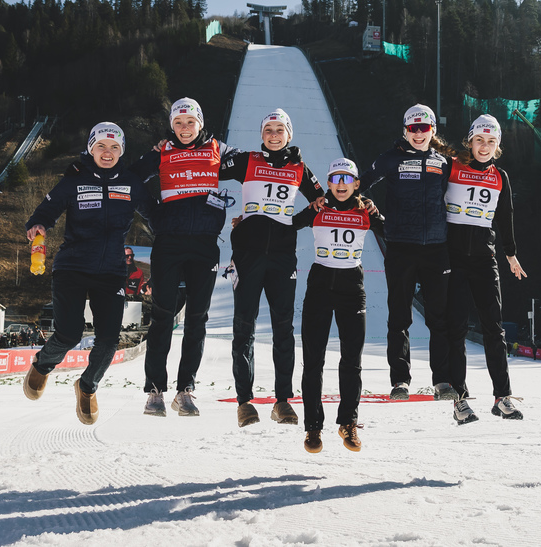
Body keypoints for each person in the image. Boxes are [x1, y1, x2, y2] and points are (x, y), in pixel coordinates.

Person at [22, 122, 153, 425]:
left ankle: (87, 387)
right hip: (72, 266)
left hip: (111, 272)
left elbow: (155, 216)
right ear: (91, 148)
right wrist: (38, 224)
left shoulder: (131, 184)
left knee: (108, 340)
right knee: (69, 333)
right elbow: (46, 210)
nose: (107, 152)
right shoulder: (75, 180)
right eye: (101, 146)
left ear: (121, 151)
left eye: (114, 147)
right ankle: (42, 365)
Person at [131, 98, 240, 417]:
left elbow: (251, 165)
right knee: (163, 316)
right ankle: (155, 392)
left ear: (200, 123)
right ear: (171, 126)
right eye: (178, 123)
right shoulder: (162, 151)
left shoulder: (219, 149)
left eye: (190, 122)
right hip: (169, 243)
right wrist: (154, 214)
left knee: (197, 318)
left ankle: (185, 390)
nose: (184, 128)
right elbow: (131, 180)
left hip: (205, 245)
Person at [225, 109, 324, 427]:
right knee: (244, 327)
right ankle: (245, 402)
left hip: (282, 257)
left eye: (280, 129)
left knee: (284, 329)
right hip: (247, 256)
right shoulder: (247, 160)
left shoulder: (299, 167)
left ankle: (282, 401)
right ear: (261, 134)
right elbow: (210, 169)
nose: (274, 135)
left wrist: (293, 223)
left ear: (289, 134)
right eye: (268, 129)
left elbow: (322, 202)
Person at [358, 104, 455, 402]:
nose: (418, 133)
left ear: (433, 130)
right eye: (413, 128)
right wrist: (371, 211)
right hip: (401, 247)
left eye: (424, 128)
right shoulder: (390, 159)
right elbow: (359, 185)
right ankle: (400, 380)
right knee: (400, 317)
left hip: (437, 248)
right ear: (405, 130)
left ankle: (442, 381)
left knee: (439, 318)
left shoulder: (444, 163)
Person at [293, 158, 384, 453]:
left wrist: (378, 212)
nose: (341, 184)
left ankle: (348, 423)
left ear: (356, 184)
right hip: (319, 286)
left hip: (351, 288)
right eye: (336, 179)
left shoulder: (364, 210)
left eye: (347, 179)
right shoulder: (319, 208)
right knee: (313, 361)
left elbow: (394, 234)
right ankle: (313, 427)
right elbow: (288, 226)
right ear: (329, 183)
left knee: (352, 361)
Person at [443, 114, 527, 424]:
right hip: (453, 258)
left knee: (494, 328)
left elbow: (505, 216)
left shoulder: (500, 176)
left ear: (497, 145)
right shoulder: (452, 167)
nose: (484, 146)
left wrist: (511, 254)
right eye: (479, 140)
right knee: (457, 329)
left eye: (491, 141)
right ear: (470, 141)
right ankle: (460, 400)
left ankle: (502, 397)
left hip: (484, 259)